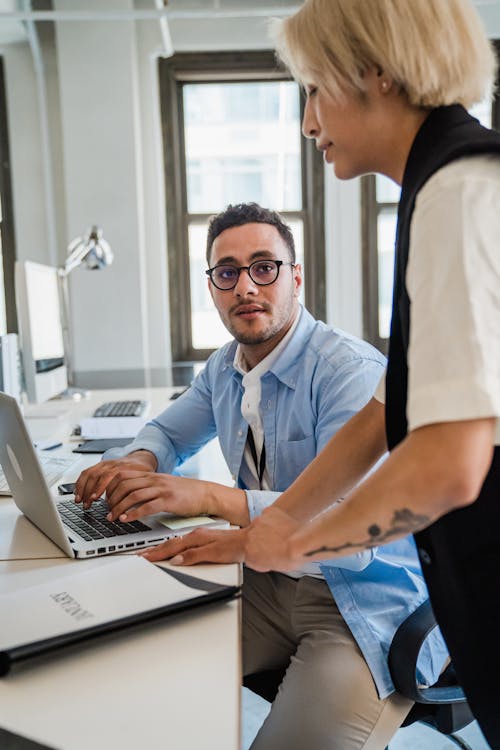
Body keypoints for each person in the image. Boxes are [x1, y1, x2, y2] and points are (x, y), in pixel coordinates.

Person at [76, 202, 448, 750]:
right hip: (267, 581)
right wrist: (138, 462)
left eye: (263, 267)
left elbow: (354, 540)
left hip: (362, 606)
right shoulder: (226, 367)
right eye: (227, 272)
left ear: (295, 277)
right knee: (126, 669)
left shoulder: (349, 373)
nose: (245, 286)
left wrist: (217, 498)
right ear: (212, 288)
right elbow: (169, 433)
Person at [227, 1, 500, 746]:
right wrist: (279, 520)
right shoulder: (436, 189)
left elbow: (447, 467)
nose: (308, 123)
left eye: (313, 89)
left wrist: (299, 546)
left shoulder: (459, 191)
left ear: (374, 72)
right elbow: (385, 415)